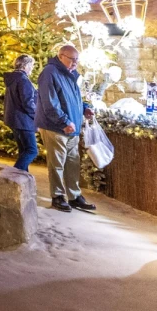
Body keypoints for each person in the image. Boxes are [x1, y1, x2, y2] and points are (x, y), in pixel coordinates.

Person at [37, 45, 96, 213]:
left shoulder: (69, 74)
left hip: (72, 127)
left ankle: (74, 196)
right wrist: (64, 122)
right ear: (61, 56)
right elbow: (50, 103)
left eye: (77, 60)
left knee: (72, 163)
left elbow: (72, 98)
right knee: (57, 164)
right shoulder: (50, 73)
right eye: (72, 59)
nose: (75, 63)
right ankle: (57, 196)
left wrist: (84, 107)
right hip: (56, 127)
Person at [4, 55, 39, 171]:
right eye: (32, 65)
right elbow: (27, 102)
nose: (32, 68)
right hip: (24, 121)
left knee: (24, 150)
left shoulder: (14, 79)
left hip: (14, 120)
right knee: (32, 150)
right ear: (26, 65)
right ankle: (13, 175)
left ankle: (23, 178)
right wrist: (36, 118)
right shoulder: (23, 80)